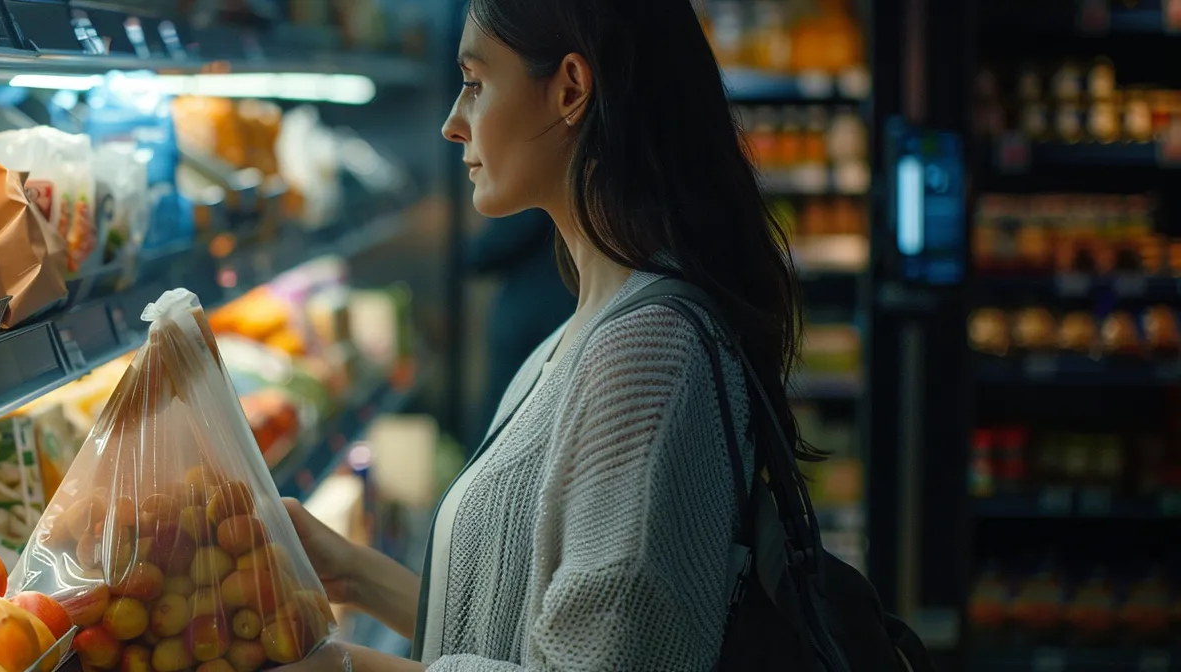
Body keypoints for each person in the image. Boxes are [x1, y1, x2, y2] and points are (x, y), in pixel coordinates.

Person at [276, 0, 807, 669]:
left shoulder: (647, 362)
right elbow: (535, 630)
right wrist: (353, 573)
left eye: (474, 83)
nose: (451, 124)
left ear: (570, 90)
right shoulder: (594, 324)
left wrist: (337, 667)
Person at [465, 208, 572, 452]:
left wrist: (467, 250)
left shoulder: (536, 197)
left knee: (502, 427)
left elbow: (486, 253)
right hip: (547, 320)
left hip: (529, 328)